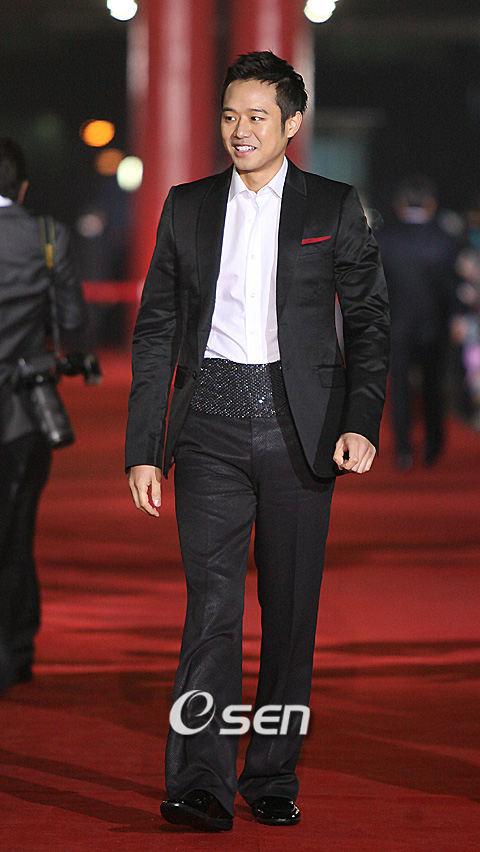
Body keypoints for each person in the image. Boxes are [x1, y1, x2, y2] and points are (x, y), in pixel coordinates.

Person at [126, 51, 389, 831]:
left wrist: (361, 420)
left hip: (298, 428)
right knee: (210, 609)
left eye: (257, 117)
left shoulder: (333, 206)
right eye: (230, 115)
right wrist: (145, 447)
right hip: (207, 426)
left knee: (290, 610)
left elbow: (369, 321)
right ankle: (200, 781)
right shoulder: (187, 206)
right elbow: (156, 328)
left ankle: (272, 772)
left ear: (292, 124)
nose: (240, 130)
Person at [0, 136, 87, 694]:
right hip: (23, 412)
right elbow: (72, 320)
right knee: (16, 535)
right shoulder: (47, 236)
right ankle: (14, 653)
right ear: (23, 186)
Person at [377, 176, 461, 469]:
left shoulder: (385, 238)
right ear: (431, 203)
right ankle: (433, 445)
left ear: (400, 204)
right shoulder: (444, 239)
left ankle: (403, 448)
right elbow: (452, 285)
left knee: (399, 386)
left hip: (396, 324)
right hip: (435, 326)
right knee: (433, 385)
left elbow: (376, 287)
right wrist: (456, 317)